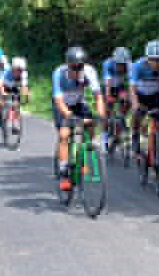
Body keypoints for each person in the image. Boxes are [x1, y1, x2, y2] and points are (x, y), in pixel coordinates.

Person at [52, 46, 106, 191]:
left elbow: (98, 96)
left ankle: (81, 158)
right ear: (67, 65)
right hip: (62, 106)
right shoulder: (59, 73)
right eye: (74, 67)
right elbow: (58, 100)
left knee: (90, 127)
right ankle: (64, 171)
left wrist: (101, 115)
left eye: (80, 66)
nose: (77, 70)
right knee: (64, 135)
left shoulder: (89, 71)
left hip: (78, 103)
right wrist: (70, 117)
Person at [129, 39, 159, 159]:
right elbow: (132, 89)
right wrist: (135, 105)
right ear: (147, 58)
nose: (156, 63)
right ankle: (135, 136)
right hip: (139, 95)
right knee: (137, 117)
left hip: (155, 95)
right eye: (153, 59)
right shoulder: (137, 65)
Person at [101, 47, 132, 148]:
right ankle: (104, 135)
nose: (121, 66)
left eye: (123, 64)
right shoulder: (108, 64)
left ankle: (121, 118)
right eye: (119, 64)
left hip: (119, 87)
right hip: (107, 87)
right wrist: (108, 96)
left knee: (128, 101)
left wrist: (129, 95)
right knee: (106, 112)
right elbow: (108, 81)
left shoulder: (130, 65)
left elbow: (132, 82)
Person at [0, 56, 30, 124]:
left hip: (14, 87)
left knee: (16, 104)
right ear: (13, 68)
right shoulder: (6, 71)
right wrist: (3, 93)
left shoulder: (24, 74)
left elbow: (24, 86)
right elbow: (0, 84)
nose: (19, 72)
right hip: (5, 86)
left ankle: (15, 120)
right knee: (1, 101)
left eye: (21, 70)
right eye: (18, 69)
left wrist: (26, 95)